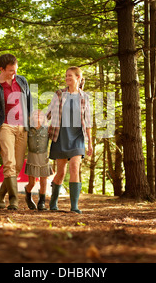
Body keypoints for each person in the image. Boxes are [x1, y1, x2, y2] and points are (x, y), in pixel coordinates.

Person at [0, 54, 32, 210]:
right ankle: (14, 200)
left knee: (17, 166)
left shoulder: (22, 81)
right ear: (1, 69)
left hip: (23, 127)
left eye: (16, 69)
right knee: (9, 164)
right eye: (11, 71)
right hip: (5, 127)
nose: (15, 73)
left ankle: (0, 195)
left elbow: (30, 105)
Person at [47, 66, 92, 214]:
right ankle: (53, 203)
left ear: (78, 78)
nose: (67, 78)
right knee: (60, 173)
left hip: (78, 137)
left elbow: (88, 121)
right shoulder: (59, 94)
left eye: (70, 76)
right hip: (61, 136)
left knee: (74, 166)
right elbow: (48, 112)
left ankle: (74, 206)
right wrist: (36, 122)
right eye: (66, 76)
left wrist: (90, 143)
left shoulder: (85, 97)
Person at [24, 110, 54, 210]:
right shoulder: (28, 129)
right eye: (35, 115)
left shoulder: (47, 129)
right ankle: (27, 195)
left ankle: (42, 202)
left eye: (40, 115)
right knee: (32, 183)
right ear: (31, 118)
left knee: (43, 181)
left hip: (44, 158)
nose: (38, 117)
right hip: (32, 157)